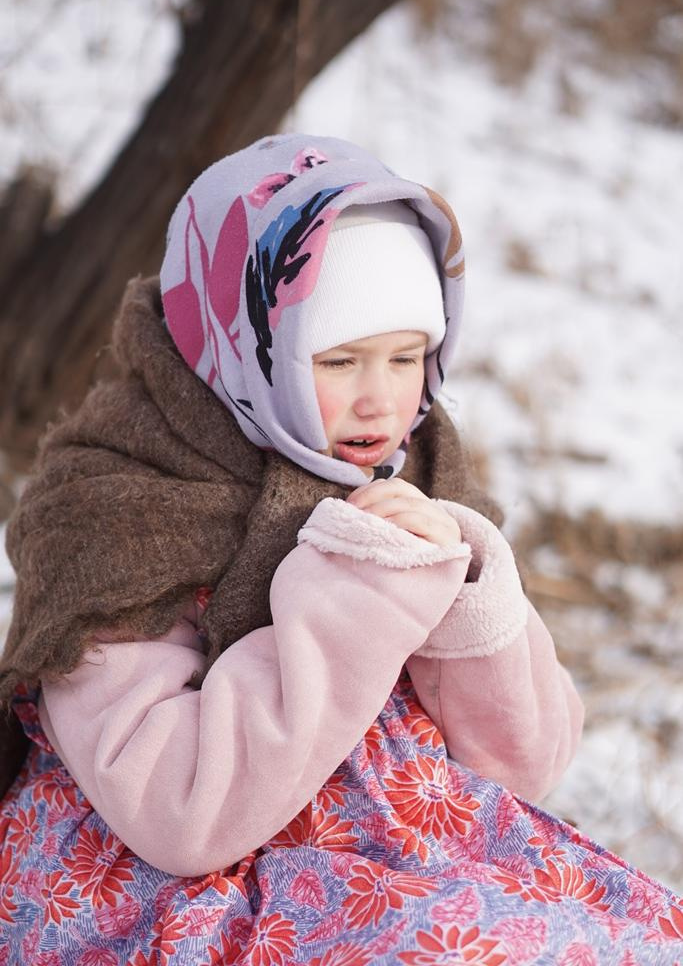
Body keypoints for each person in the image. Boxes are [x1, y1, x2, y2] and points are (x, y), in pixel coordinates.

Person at [0, 134, 681, 965]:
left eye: (406, 356)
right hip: (183, 892)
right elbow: (178, 816)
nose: (381, 400)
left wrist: (468, 583)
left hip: (406, 849)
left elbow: (523, 767)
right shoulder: (118, 507)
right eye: (337, 360)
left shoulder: (421, 467)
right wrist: (356, 587)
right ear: (241, 346)